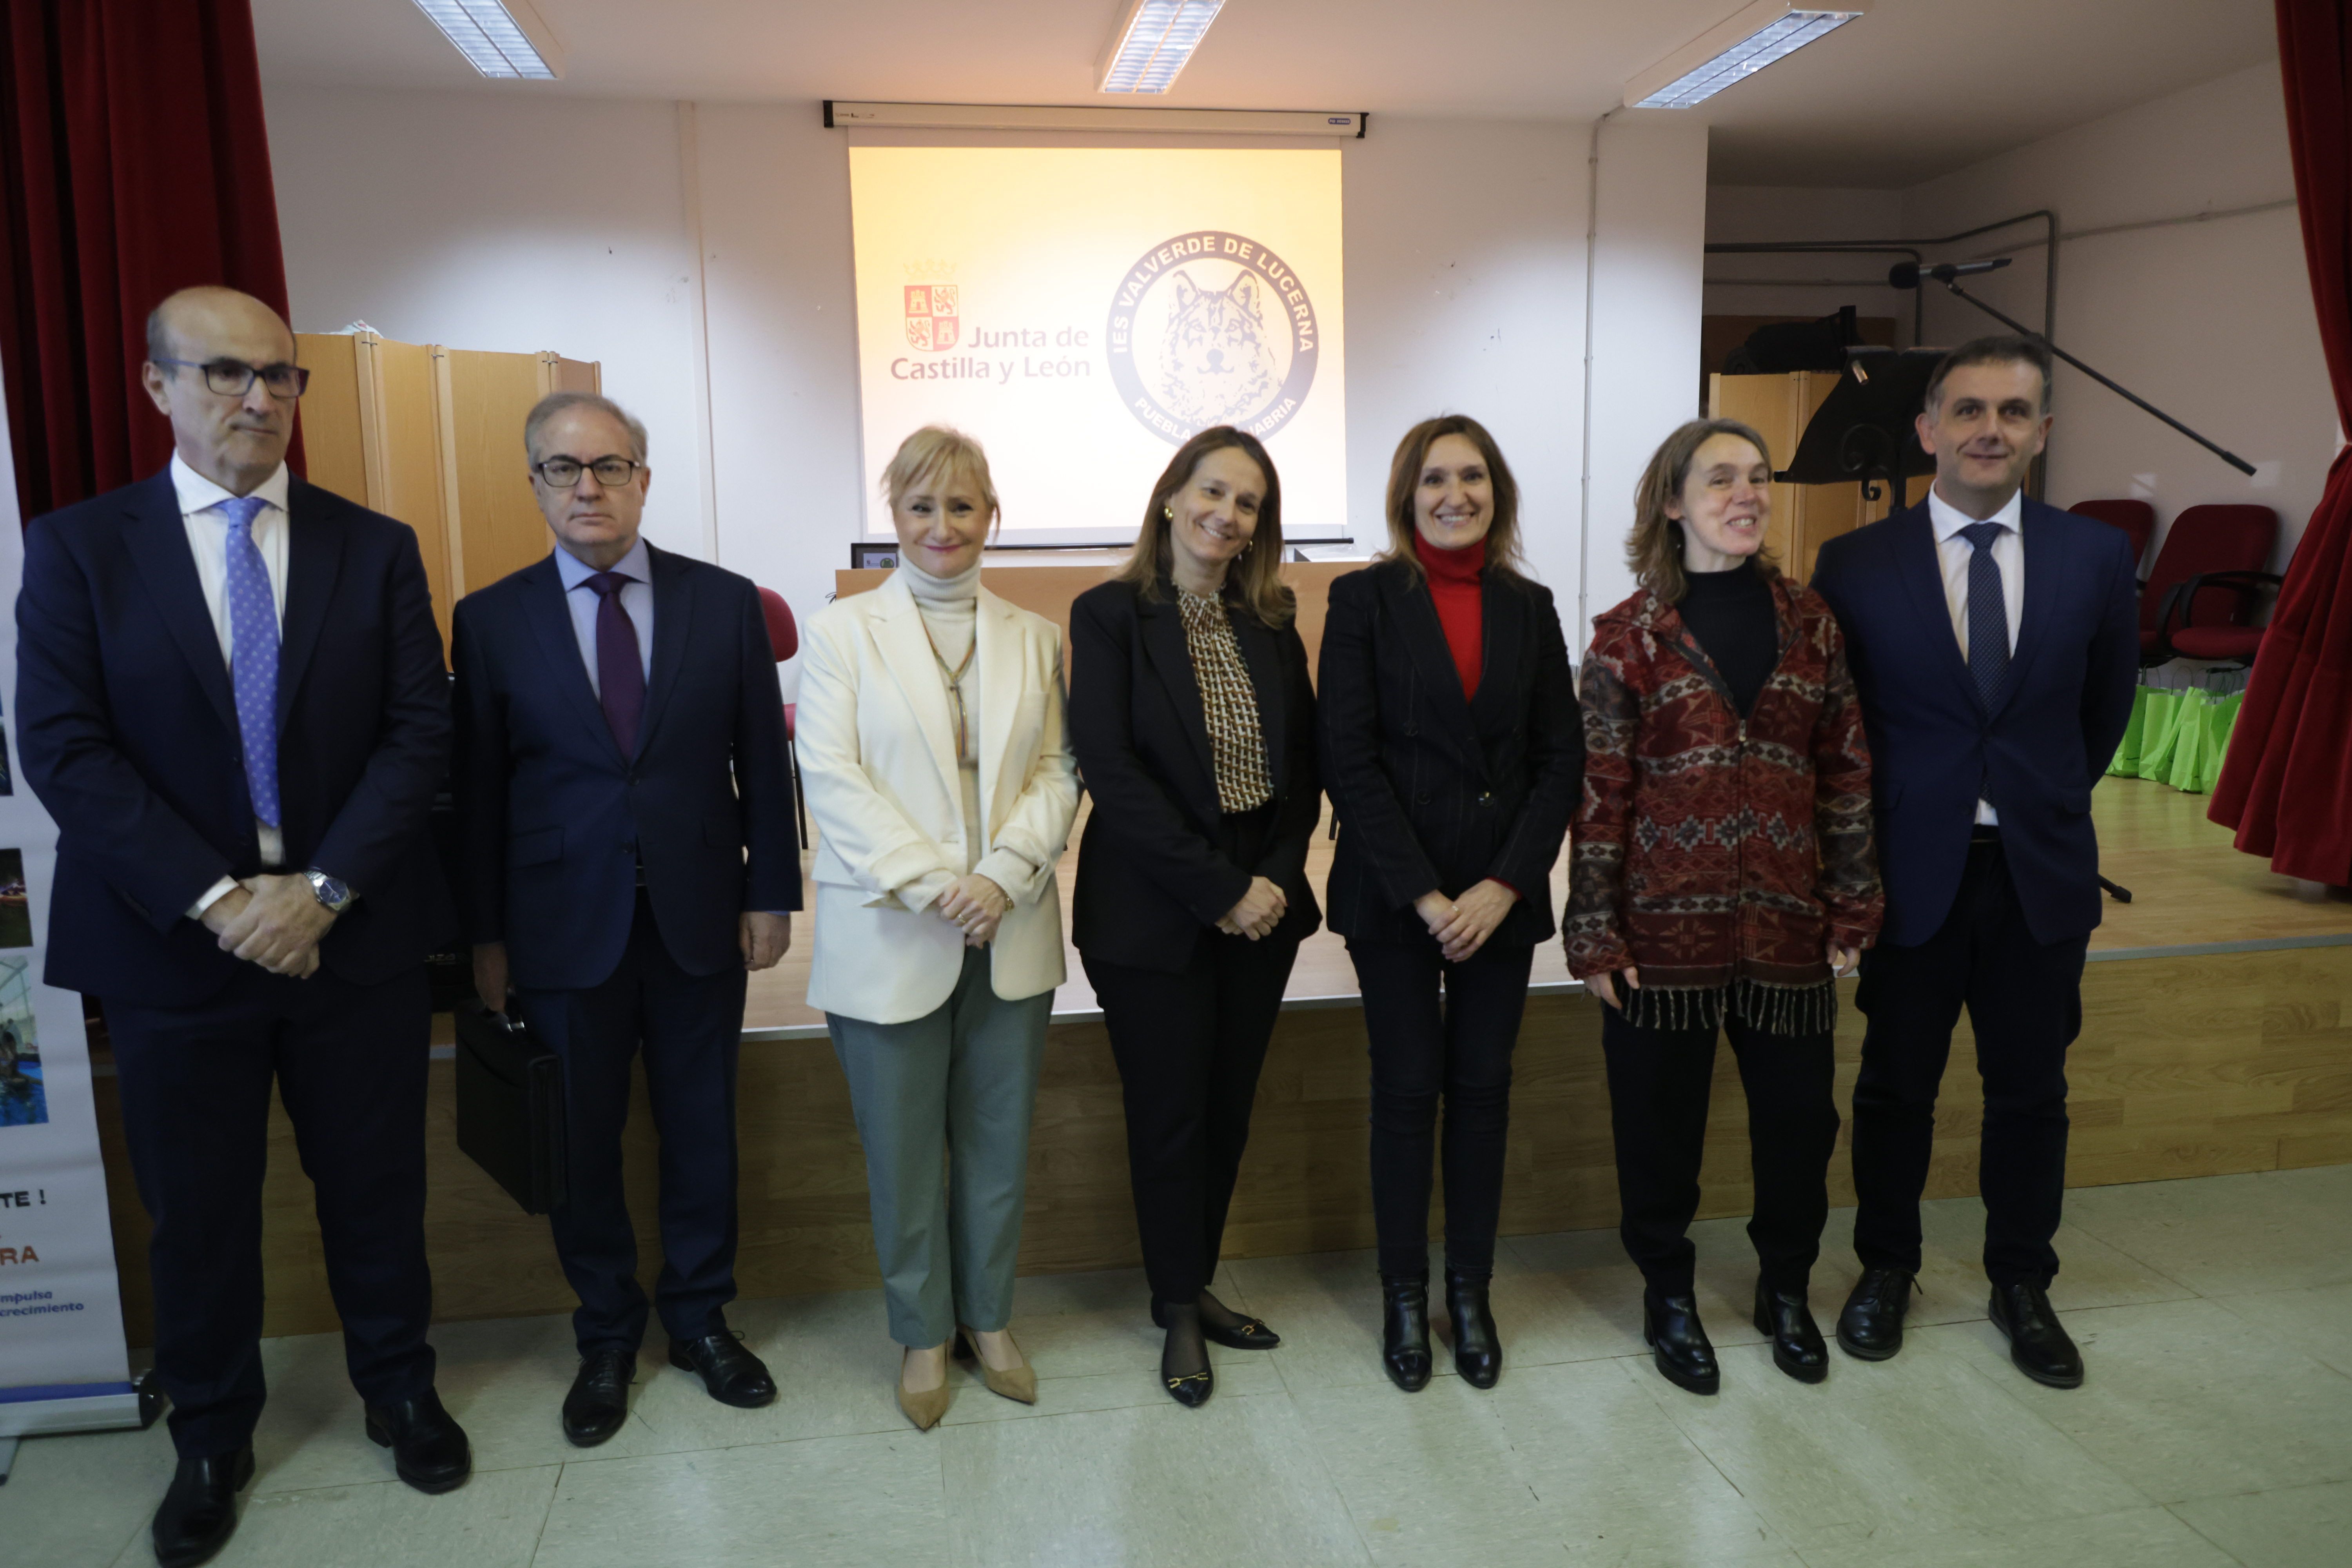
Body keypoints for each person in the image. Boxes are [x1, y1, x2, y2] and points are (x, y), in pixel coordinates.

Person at [16, 286, 467, 1565]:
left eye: (280, 376)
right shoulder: (79, 549)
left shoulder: (369, 545)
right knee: (198, 1210)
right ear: (157, 387)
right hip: (175, 948)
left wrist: (319, 893)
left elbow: (417, 734)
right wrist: (222, 901)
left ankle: (400, 1391)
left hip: (353, 936)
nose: (257, 399)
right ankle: (212, 1435)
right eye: (223, 374)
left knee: (376, 1191)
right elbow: (64, 749)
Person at [452, 392, 799, 1447]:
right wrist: (487, 936)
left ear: (645, 479)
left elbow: (761, 762)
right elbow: (479, 794)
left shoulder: (725, 603)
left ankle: (700, 1320)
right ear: (537, 484)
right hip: (560, 928)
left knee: (702, 1132)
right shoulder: (489, 618)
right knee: (582, 1142)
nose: (588, 487)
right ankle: (606, 1333)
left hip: (700, 917)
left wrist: (771, 891)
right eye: (563, 469)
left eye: (609, 466)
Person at [1810, 336, 2138, 1390]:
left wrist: (2036, 799)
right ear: (1928, 429)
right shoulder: (1856, 565)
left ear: (2041, 432)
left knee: (2031, 1091)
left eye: (2012, 412)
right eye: (1967, 411)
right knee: (1895, 1087)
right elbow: (1844, 724)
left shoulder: (2094, 557)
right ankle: (1886, 1270)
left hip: (2040, 870)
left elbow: (2105, 713)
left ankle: (2021, 1282)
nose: (1988, 430)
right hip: (1912, 872)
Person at [1566, 419, 1882, 1396]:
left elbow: (1847, 771)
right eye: (1719, 479)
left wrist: (1854, 904)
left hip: (1787, 927)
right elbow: (1600, 796)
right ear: (1672, 502)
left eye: (1757, 478)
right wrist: (1594, 931)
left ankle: (1785, 1287)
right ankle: (1670, 1293)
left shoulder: (1813, 622)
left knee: (1799, 1123)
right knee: (1658, 1127)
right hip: (1661, 938)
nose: (1745, 494)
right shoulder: (1628, 638)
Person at [797, 427, 1080, 1430]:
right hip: (892, 930)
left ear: (990, 517)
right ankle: (924, 1330)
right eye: (922, 506)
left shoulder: (1034, 635)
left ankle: (990, 1319)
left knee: (999, 1143)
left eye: (962, 506)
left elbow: (1059, 770)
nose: (942, 525)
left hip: (1011, 925)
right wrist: (934, 882)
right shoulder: (839, 634)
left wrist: (1001, 876)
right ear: (895, 517)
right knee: (904, 1150)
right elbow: (831, 775)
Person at [1319, 414, 1584, 1393]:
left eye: (1473, 477)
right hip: (1398, 894)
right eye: (1436, 478)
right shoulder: (1363, 600)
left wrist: (1504, 883)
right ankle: (1403, 1292)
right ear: (1407, 493)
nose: (1454, 493)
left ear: (1497, 494)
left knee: (1482, 1091)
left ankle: (1468, 1289)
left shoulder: (1531, 602)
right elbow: (1347, 757)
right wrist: (1429, 894)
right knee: (1406, 1090)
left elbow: (1561, 758)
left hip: (1499, 894)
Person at [1068, 426, 1321, 1408]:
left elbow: (1301, 775)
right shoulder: (1110, 616)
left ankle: (1195, 1276)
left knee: (1227, 1108)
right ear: (1172, 495)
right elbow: (1112, 773)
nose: (1227, 514)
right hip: (1155, 908)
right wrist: (1219, 887)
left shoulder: (1271, 623)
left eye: (1249, 503)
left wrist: (1271, 879)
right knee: (1171, 1114)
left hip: (1262, 903)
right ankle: (1176, 1302)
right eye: (1212, 491)